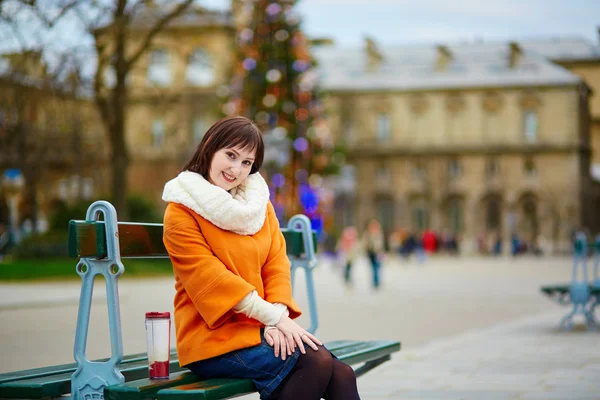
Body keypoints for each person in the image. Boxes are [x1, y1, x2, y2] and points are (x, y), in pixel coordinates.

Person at [162, 116, 360, 400]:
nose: (236, 169)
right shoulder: (181, 210)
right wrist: (276, 318)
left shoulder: (257, 205)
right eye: (230, 155)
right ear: (209, 147)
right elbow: (213, 282)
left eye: (246, 162)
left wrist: (273, 320)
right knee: (316, 362)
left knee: (342, 374)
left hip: (259, 328)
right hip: (211, 340)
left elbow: (276, 263)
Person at [362, 219, 385, 289]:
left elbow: (381, 244)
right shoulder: (367, 234)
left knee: (377, 267)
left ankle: (376, 281)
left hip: (378, 252)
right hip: (371, 252)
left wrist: (381, 251)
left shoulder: (379, 233)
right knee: (374, 267)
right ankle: (375, 282)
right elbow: (365, 243)